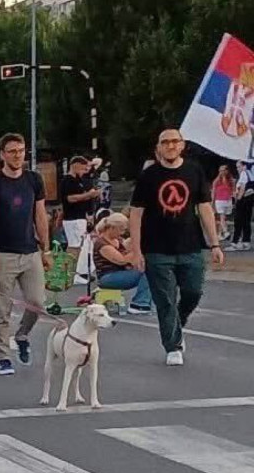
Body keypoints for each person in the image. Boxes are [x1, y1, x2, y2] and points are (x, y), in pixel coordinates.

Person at [128, 128, 224, 366]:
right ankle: (173, 346)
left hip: (190, 247)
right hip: (156, 250)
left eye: (174, 141)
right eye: (165, 142)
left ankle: (177, 326)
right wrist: (136, 251)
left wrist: (215, 243)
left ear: (182, 145)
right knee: (166, 301)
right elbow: (136, 214)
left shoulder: (194, 170)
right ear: (158, 147)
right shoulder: (148, 176)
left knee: (193, 292)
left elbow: (205, 207)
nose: (170, 146)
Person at [0, 133, 52, 376]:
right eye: (12, 151)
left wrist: (46, 249)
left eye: (21, 151)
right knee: (2, 310)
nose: (17, 155)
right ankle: (2, 358)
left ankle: (22, 335)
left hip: (30, 251)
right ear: (2, 155)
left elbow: (40, 215)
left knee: (37, 302)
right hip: (3, 254)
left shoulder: (33, 179)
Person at [92, 212, 152, 314]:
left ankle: (144, 301)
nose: (122, 233)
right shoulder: (102, 244)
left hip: (118, 273)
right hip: (107, 277)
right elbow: (121, 260)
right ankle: (139, 303)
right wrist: (136, 249)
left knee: (150, 269)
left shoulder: (118, 241)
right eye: (121, 229)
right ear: (112, 228)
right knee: (147, 272)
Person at [59, 156, 101, 257]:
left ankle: (80, 264)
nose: (84, 171)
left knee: (82, 244)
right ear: (75, 165)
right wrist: (89, 195)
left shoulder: (79, 180)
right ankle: (72, 264)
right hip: (73, 218)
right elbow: (70, 198)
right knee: (75, 245)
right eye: (82, 168)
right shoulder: (67, 180)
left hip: (81, 217)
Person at [227, 160, 252, 251]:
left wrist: (238, 199)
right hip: (249, 201)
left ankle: (235, 242)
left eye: (239, 167)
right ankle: (246, 241)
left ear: (244, 166)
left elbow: (242, 187)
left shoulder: (244, 174)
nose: (237, 169)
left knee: (238, 221)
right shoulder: (250, 174)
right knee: (246, 221)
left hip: (242, 201)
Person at [211, 165, 234, 240]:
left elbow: (233, 190)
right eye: (220, 170)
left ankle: (219, 234)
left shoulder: (230, 180)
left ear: (227, 171)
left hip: (228, 200)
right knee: (222, 217)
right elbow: (213, 192)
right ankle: (226, 231)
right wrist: (212, 203)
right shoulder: (217, 181)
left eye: (223, 170)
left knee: (223, 218)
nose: (222, 172)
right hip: (219, 201)